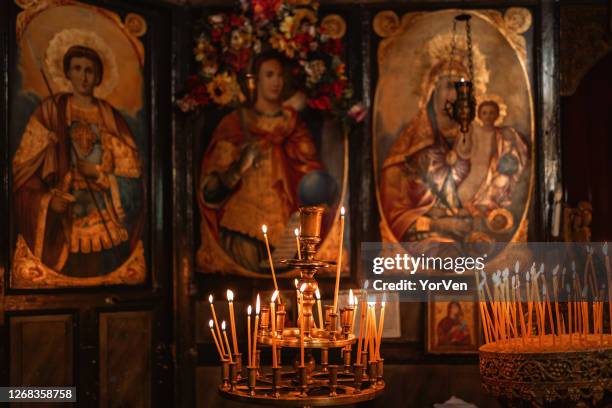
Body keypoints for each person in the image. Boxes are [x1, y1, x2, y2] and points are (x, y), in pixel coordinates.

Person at [12, 45, 144, 277]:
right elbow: (23, 172)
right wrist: (47, 201)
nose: (83, 76)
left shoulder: (110, 118)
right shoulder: (51, 111)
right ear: (67, 73)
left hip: (104, 215)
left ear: (98, 77)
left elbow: (133, 176)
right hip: (63, 219)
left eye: (89, 71)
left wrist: (98, 174)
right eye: (77, 69)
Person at [197, 52, 322, 272]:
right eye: (269, 75)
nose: (277, 81)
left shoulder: (293, 125)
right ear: (254, 80)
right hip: (243, 227)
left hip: (285, 227)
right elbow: (209, 190)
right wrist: (239, 167)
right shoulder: (236, 123)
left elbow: (310, 171)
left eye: (280, 75)